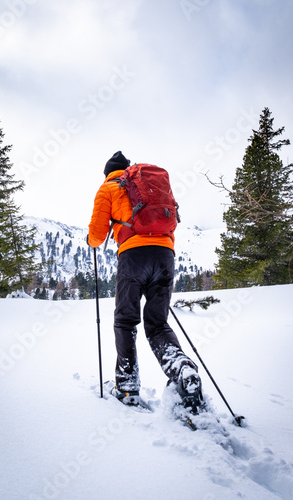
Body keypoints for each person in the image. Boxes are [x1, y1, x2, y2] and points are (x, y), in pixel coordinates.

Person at [87, 151, 203, 412]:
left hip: (133, 256)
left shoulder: (108, 188)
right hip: (165, 255)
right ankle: (182, 369)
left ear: (108, 172)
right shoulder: (145, 183)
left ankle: (127, 386)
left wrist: (91, 241)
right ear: (127, 169)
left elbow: (96, 234)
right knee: (158, 324)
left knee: (126, 320)